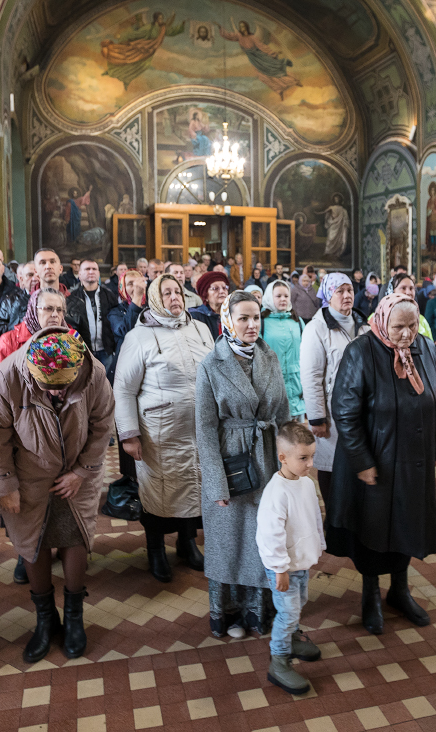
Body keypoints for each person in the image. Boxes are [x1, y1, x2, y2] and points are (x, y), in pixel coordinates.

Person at [0, 328, 114, 662]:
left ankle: (73, 617)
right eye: (47, 385)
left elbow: (102, 424)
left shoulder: (92, 372)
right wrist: (5, 485)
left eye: (62, 386)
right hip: (26, 474)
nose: (55, 393)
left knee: (74, 537)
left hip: (77, 472)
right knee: (32, 541)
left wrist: (82, 472)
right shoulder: (9, 374)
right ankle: (45, 619)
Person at [328, 294, 436, 635]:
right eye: (398, 327)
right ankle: (370, 594)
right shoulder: (361, 351)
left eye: (411, 325)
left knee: (408, 524)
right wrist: (361, 460)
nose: (406, 334)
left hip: (414, 460)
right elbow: (345, 413)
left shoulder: (425, 347)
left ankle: (399, 590)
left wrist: (434, 449)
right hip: (376, 459)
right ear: (382, 321)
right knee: (373, 529)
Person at [196, 290, 291, 639]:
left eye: (256, 317)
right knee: (229, 539)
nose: (252, 325)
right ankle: (228, 613)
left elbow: (283, 413)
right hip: (230, 456)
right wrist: (216, 482)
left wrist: (290, 462)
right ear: (228, 321)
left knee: (262, 535)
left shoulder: (269, 357)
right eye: (244, 319)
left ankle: (257, 612)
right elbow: (204, 428)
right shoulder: (211, 363)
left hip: (265, 455)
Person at [114, 273, 213, 582]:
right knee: (159, 491)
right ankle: (155, 550)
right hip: (160, 433)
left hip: (199, 429)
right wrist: (129, 435)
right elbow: (123, 390)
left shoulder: (200, 328)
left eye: (178, 293)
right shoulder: (138, 337)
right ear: (155, 298)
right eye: (167, 293)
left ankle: (188, 544)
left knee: (194, 487)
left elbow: (215, 371)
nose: (174, 298)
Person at [256, 422, 324, 695]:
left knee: (300, 602)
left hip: (300, 562)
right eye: (303, 458)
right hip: (282, 566)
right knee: (287, 612)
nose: (310, 464)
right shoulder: (276, 492)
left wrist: (317, 545)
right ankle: (279, 660)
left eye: (312, 457)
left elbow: (312, 518)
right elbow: (270, 536)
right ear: (282, 457)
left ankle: (293, 640)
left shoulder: (305, 483)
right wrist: (280, 569)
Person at [300, 274, 366, 518]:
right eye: (340, 291)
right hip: (332, 409)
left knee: (358, 458)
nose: (347, 295)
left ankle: (356, 515)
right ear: (328, 296)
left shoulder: (362, 321)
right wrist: (317, 417)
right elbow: (311, 376)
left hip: (362, 408)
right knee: (331, 466)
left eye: (350, 290)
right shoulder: (316, 328)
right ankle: (335, 517)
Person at [0, 288, 75, 395]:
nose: (55, 314)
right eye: (48, 308)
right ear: (34, 310)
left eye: (59, 310)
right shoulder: (11, 341)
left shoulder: (70, 340)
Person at [261, 280, 306, 420]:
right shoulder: (262, 321)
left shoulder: (297, 321)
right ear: (269, 297)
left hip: (296, 384)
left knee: (294, 436)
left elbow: (305, 352)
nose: (283, 299)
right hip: (272, 384)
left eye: (286, 296)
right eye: (278, 296)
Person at [67, 259, 117, 371]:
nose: (91, 271)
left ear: (98, 273)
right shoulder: (72, 298)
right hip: (83, 352)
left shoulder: (109, 296)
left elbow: (114, 323)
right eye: (87, 269)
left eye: (94, 269)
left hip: (106, 350)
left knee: (105, 385)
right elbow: (70, 326)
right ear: (79, 274)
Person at [386, 273, 432, 339]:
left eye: (411, 288)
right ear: (392, 291)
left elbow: (429, 346)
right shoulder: (380, 318)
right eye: (403, 288)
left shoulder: (421, 320)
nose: (408, 292)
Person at [190, 270, 229, 340]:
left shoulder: (234, 313)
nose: (222, 291)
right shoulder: (196, 316)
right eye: (215, 288)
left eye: (224, 288)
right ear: (205, 295)